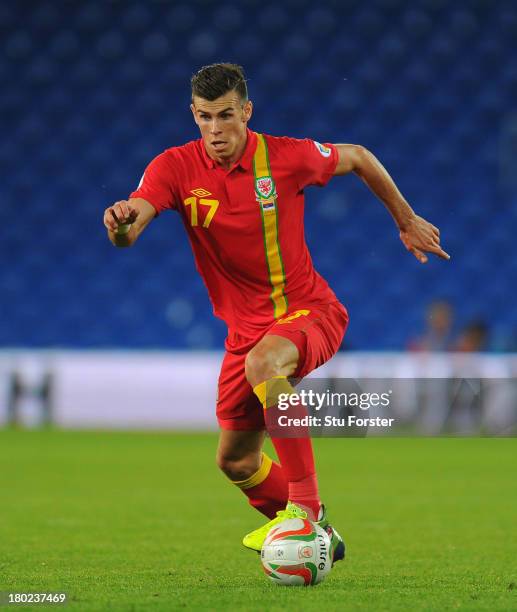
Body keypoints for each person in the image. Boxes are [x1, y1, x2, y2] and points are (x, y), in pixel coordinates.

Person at [103, 63, 450, 564]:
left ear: (247, 110)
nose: (216, 130)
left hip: (311, 311)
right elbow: (131, 227)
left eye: (226, 115)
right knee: (237, 460)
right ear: (193, 115)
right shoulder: (174, 167)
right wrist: (119, 222)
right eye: (205, 117)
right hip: (244, 332)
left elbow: (357, 156)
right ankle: (321, 533)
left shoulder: (285, 157)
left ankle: (304, 511)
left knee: (265, 365)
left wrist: (406, 218)